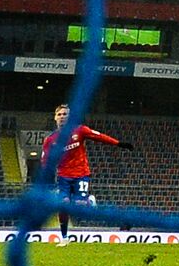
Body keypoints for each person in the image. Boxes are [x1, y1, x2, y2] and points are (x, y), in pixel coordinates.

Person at [41, 104, 134, 247]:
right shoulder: (51, 140)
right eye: (59, 114)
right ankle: (64, 237)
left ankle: (89, 201)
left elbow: (100, 137)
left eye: (65, 114)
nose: (62, 117)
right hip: (63, 176)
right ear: (55, 118)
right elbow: (45, 160)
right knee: (63, 205)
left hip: (81, 174)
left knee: (80, 207)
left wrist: (119, 144)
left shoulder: (80, 130)